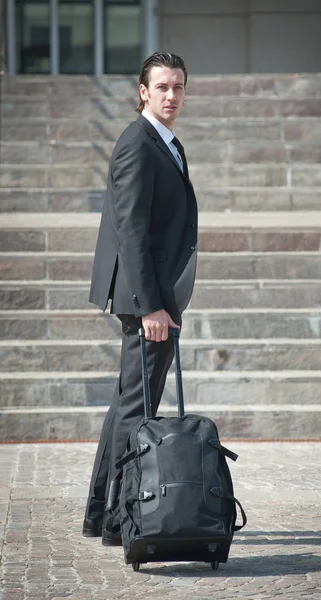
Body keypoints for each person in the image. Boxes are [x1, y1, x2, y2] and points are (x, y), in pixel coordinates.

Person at [82, 52, 198, 545]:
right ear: (143, 92)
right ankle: (120, 520)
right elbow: (131, 231)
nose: (171, 95)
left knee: (128, 403)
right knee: (137, 407)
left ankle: (100, 514)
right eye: (163, 87)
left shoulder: (164, 142)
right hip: (146, 299)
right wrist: (150, 305)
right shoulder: (138, 143)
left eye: (178, 87)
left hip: (152, 294)